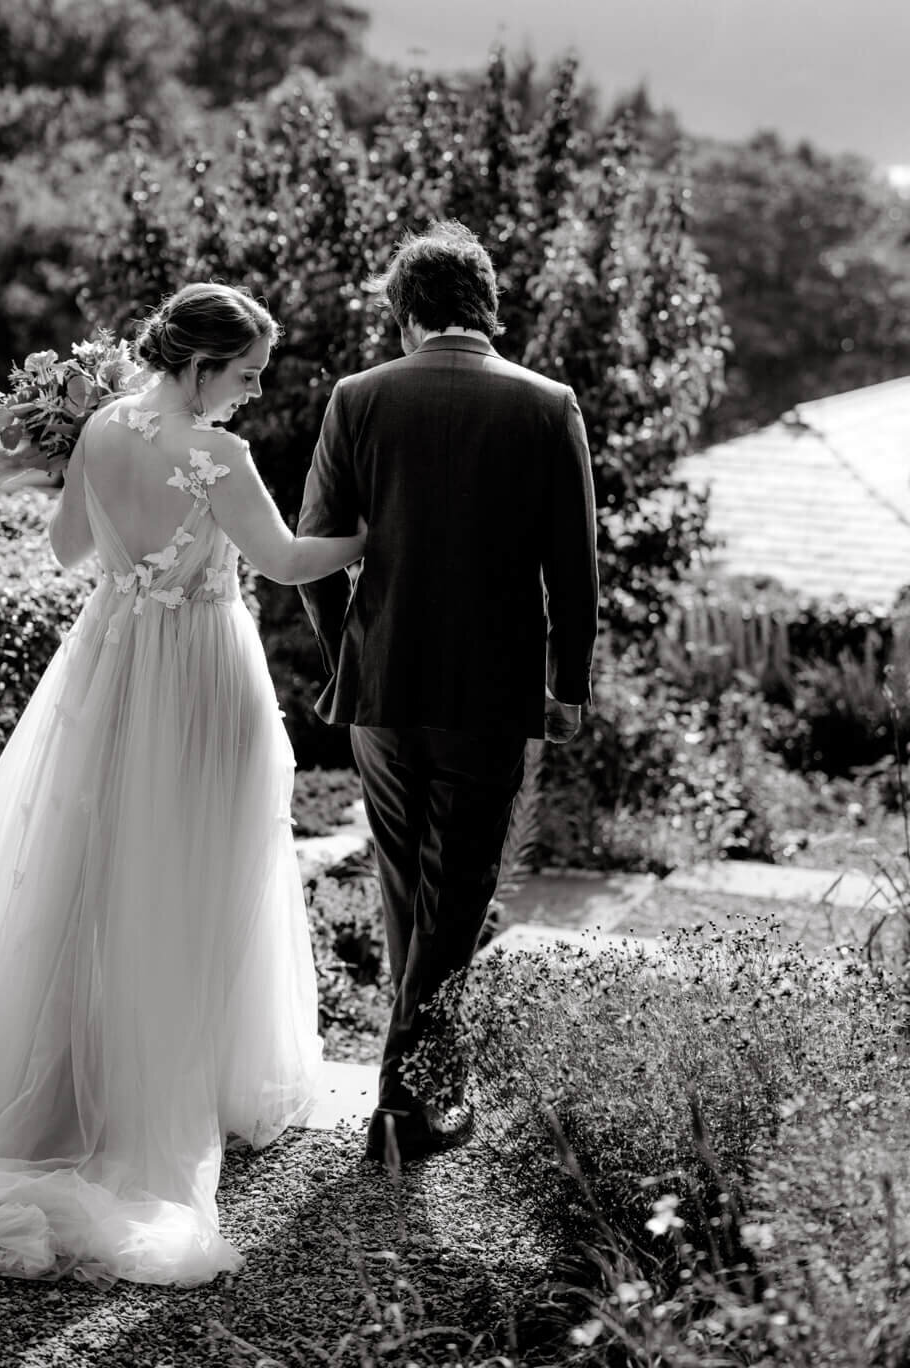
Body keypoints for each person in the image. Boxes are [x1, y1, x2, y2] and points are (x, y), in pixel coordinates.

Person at [0, 283, 365, 1287]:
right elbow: (283, 562)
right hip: (198, 676)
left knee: (93, 874)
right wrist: (377, 538)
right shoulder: (220, 457)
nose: (251, 393)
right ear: (199, 368)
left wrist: (127, 532)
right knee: (192, 877)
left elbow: (68, 549)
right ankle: (164, 1087)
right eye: (245, 375)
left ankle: (73, 1076)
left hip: (108, 669)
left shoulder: (103, 430)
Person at [298, 221, 599, 1164]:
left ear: (403, 312)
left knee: (407, 884)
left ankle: (428, 1081)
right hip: (490, 690)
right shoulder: (548, 405)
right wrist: (569, 683)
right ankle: (406, 1099)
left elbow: (313, 552)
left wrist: (352, 645)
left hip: (380, 690)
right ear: (488, 305)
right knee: (455, 893)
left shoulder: (358, 397)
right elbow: (575, 569)